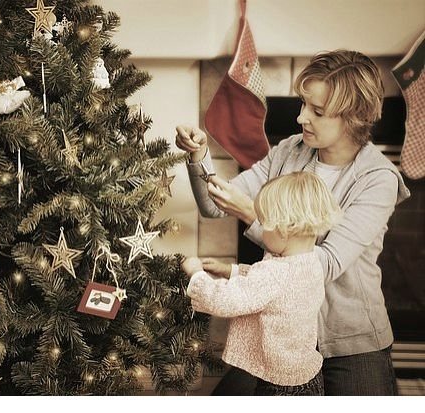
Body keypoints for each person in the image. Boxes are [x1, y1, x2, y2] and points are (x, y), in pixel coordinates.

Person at [176, 50, 410, 396]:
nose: (301, 117)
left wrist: (254, 215)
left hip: (350, 341)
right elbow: (214, 206)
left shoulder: (378, 179)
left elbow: (325, 263)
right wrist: (199, 158)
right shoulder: (291, 150)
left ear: (354, 117)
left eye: (317, 111)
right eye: (303, 104)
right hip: (282, 338)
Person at [183, 172, 341, 396]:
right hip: (309, 378)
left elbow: (224, 301)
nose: (260, 229)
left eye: (264, 224)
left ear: (284, 230)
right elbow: (273, 287)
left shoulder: (274, 274)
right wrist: (231, 270)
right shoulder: (311, 259)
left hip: (280, 389)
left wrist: (196, 273)